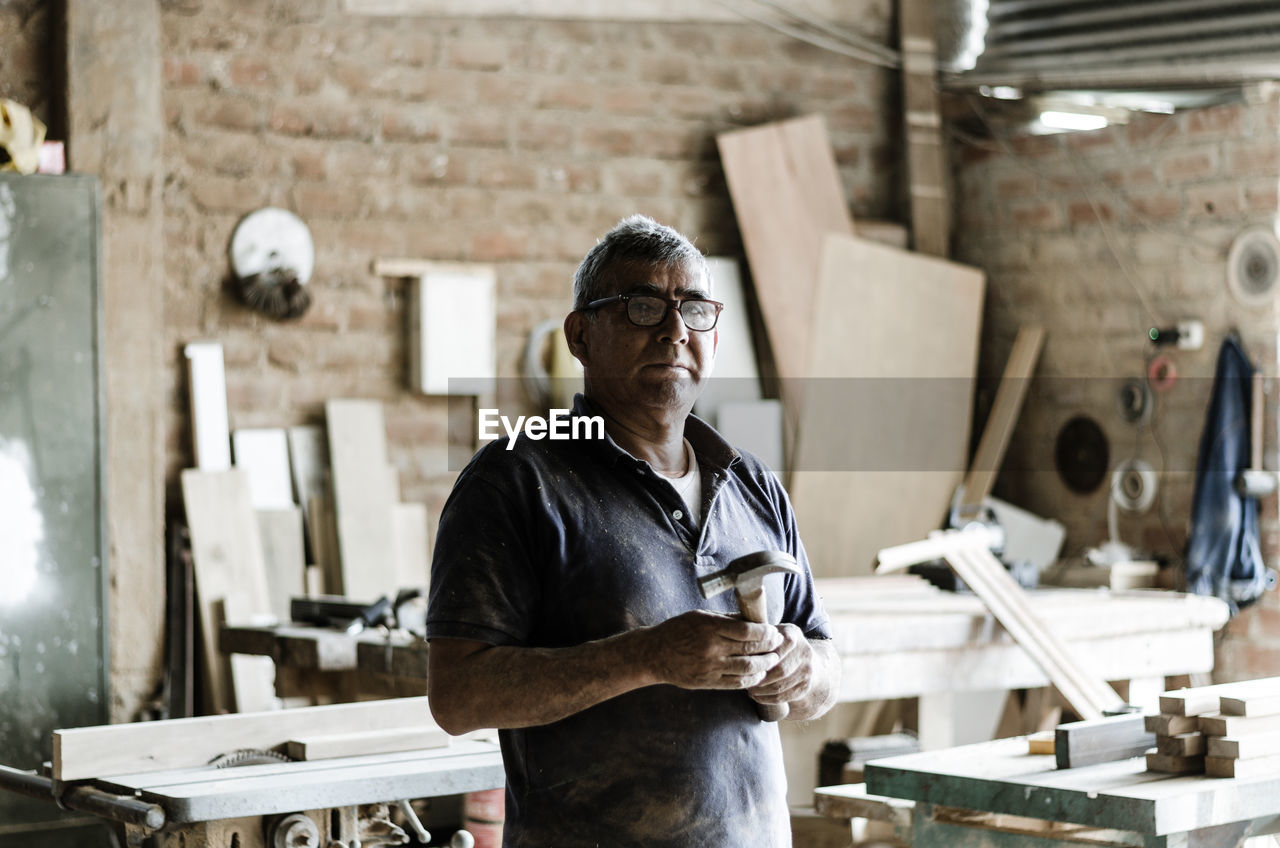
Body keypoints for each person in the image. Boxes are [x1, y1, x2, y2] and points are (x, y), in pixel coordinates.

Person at [425, 214, 839, 847]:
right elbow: (457, 697)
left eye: (695, 309)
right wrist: (645, 656)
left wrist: (804, 672)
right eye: (644, 308)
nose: (675, 331)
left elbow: (825, 658)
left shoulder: (749, 482)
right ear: (580, 335)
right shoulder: (516, 477)